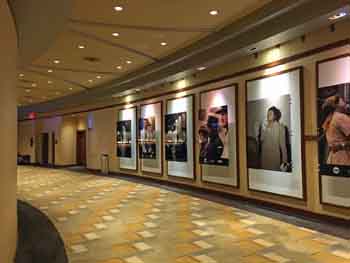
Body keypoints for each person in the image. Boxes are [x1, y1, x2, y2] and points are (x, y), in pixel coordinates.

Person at [258, 106, 289, 171]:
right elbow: (261, 140)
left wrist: (284, 162)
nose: (268, 115)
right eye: (267, 113)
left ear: (275, 115)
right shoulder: (264, 126)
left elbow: (283, 146)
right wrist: (263, 129)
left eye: (270, 113)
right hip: (264, 157)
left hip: (274, 158)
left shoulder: (280, 127)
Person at [321, 95, 350, 165]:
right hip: (344, 158)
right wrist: (344, 144)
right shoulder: (340, 117)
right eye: (342, 101)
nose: (345, 103)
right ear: (336, 105)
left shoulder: (329, 118)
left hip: (333, 158)